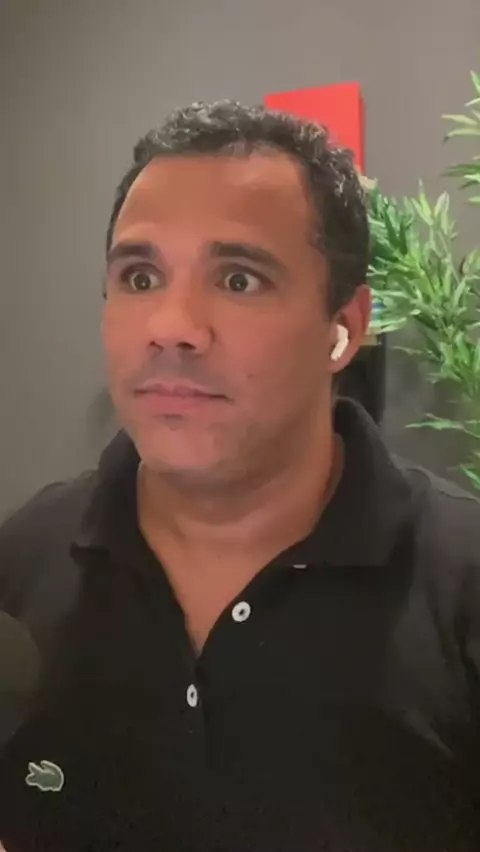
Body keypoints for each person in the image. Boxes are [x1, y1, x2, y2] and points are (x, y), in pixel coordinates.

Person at [0, 100, 479, 852]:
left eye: (239, 279)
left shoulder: (461, 586)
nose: (171, 326)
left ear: (344, 328)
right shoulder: (24, 559)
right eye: (140, 276)